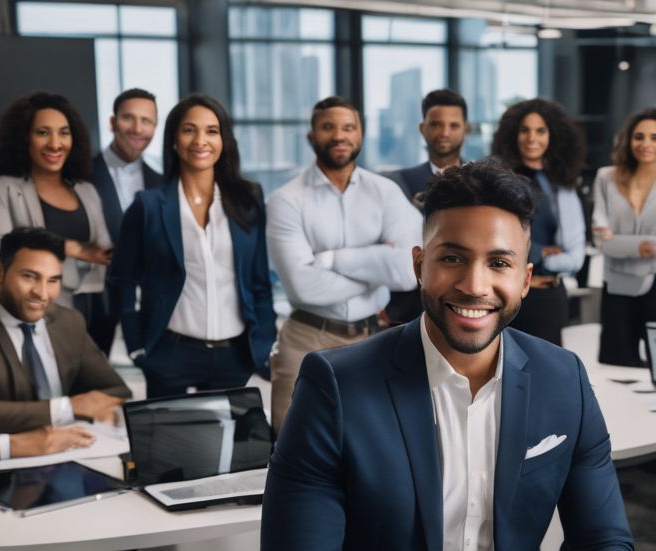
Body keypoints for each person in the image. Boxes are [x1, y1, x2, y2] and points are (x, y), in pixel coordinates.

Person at [261, 159, 634, 551]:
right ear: (419, 265)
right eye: (452, 258)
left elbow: (606, 543)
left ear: (525, 279)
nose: (474, 285)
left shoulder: (564, 380)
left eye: (499, 263)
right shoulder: (335, 385)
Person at [0, 226, 132, 551]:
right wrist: (64, 408)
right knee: (53, 544)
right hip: (2, 464)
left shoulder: (67, 321)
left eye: (53, 280)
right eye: (29, 277)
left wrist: (84, 415)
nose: (42, 293)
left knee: (120, 519)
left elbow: (114, 389)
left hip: (62, 460)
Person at [266, 96, 420, 432]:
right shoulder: (285, 200)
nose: (339, 135)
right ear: (311, 137)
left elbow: (408, 274)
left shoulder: (387, 192)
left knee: (369, 443)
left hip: (372, 341)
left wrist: (333, 260)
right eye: (328, 127)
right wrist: (378, 266)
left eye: (348, 127)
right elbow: (302, 285)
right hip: (307, 339)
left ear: (361, 134)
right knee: (292, 443)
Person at [109, 94, 275, 398]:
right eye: (189, 130)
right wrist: (137, 348)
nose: (201, 140)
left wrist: (262, 344)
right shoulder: (147, 207)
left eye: (211, 131)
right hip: (170, 355)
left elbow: (259, 280)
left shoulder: (248, 199)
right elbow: (124, 280)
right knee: (171, 446)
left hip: (234, 356)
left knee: (229, 445)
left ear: (223, 139)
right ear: (173, 139)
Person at [0, 92, 113, 344]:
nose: (55, 144)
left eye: (64, 133)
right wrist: (70, 248)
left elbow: (103, 251)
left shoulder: (85, 190)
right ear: (25, 137)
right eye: (43, 133)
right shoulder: (1, 188)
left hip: (92, 309)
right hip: (30, 312)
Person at [591, 107, 656, 366]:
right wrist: (638, 246)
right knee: (616, 366)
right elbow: (599, 236)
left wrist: (618, 243)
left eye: (654, 137)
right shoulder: (606, 178)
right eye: (639, 137)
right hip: (616, 285)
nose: (645, 144)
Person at [490, 98, 586, 346]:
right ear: (513, 135)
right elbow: (493, 238)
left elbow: (575, 257)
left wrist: (527, 258)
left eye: (540, 131)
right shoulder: (499, 181)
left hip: (549, 296)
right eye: (525, 130)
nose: (532, 138)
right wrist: (541, 252)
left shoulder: (562, 186)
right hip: (508, 294)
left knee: (547, 373)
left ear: (553, 136)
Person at [383, 88, 469, 326]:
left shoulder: (482, 183)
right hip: (406, 310)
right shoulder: (399, 184)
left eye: (454, 125)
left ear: (466, 129)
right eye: (436, 125)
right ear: (423, 129)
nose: (445, 132)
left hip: (466, 302)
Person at [89, 88, 162, 354]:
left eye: (147, 121)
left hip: (145, 300)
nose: (137, 128)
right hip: (93, 299)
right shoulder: (81, 175)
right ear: (112, 122)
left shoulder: (162, 183)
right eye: (128, 118)